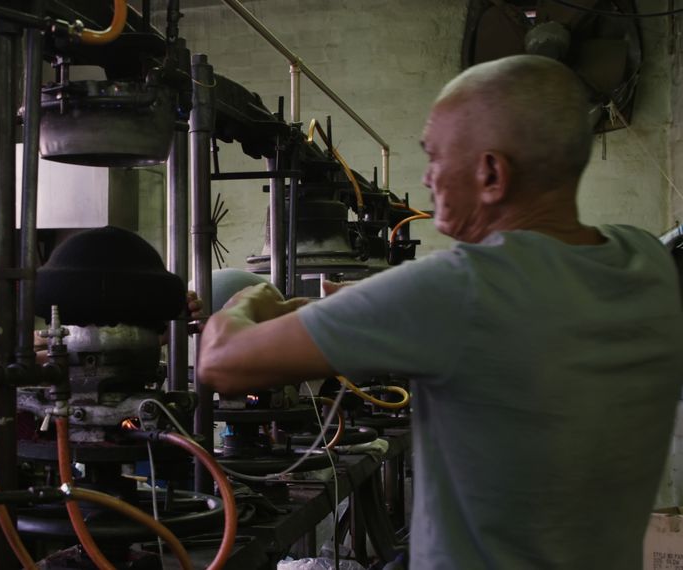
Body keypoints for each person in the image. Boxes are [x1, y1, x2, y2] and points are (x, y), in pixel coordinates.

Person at [197, 54, 683, 569]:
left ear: (492, 173)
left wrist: (253, 297)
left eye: (435, 156)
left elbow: (223, 361)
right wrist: (362, 304)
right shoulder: (645, 261)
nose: (427, 180)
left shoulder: (462, 289)